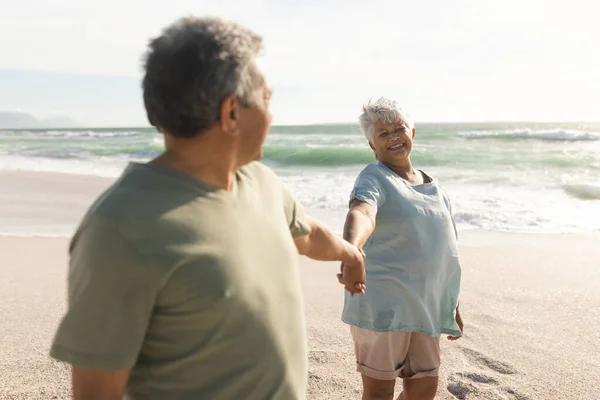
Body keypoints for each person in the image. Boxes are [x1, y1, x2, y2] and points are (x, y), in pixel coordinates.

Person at [49, 16, 366, 400]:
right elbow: (95, 394)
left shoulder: (259, 182)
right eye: (267, 99)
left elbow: (305, 234)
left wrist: (351, 254)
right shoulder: (121, 228)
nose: (272, 115)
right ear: (231, 113)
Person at [340, 97, 464, 400]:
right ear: (372, 144)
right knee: (380, 393)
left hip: (426, 307)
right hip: (384, 306)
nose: (394, 137)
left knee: (424, 390)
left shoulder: (437, 189)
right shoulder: (375, 177)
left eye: (400, 129)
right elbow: (362, 212)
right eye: (383, 133)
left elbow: (445, 251)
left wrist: (452, 302)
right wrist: (351, 250)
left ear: (413, 132)